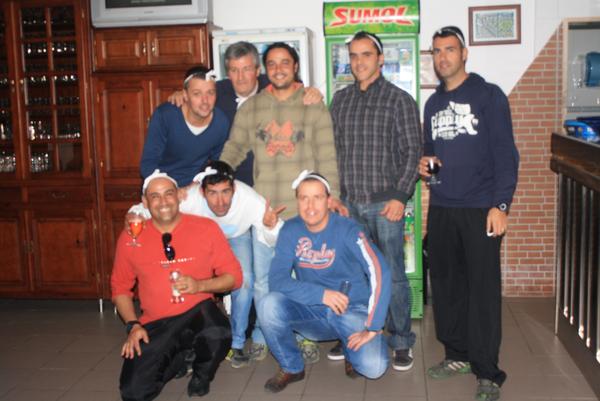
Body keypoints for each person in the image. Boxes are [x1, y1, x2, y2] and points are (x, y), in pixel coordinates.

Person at [419, 26, 519, 401]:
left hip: (481, 209)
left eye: (449, 49)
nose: (443, 57)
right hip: (443, 207)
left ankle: (488, 372)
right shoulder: (432, 104)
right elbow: (429, 151)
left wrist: (501, 205)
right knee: (446, 288)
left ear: (464, 54)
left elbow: (506, 155)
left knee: (482, 292)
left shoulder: (489, 95)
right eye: (437, 51)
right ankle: (457, 354)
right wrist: (425, 164)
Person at [128, 161, 284, 368]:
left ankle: (236, 342)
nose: (220, 202)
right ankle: (186, 338)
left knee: (245, 279)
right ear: (202, 192)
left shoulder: (249, 199)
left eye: (226, 192)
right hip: (204, 239)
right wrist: (135, 213)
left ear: (234, 188)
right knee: (184, 275)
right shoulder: (190, 198)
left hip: (237, 237)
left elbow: (274, 238)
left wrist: (271, 226)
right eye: (212, 193)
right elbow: (157, 207)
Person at [329, 30, 422, 370]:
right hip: (349, 205)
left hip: (385, 207)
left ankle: (400, 340)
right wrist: (334, 196)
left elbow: (412, 152)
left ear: (380, 59)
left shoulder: (399, 100)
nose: (359, 62)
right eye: (353, 56)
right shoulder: (340, 101)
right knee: (353, 273)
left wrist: (400, 196)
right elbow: (333, 152)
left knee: (392, 274)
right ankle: (352, 332)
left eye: (366, 54)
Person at [111, 170, 242, 400]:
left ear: (179, 196)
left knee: (218, 332)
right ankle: (180, 356)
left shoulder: (206, 228)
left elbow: (234, 277)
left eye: (169, 194)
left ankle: (202, 374)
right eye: (155, 196)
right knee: (134, 392)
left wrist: (199, 286)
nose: (163, 202)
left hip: (197, 312)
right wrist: (133, 325)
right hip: (156, 321)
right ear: (145, 202)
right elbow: (120, 288)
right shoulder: (131, 237)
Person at [257, 171, 391, 393]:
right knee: (267, 305)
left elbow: (380, 270)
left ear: (329, 201)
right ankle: (292, 367)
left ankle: (350, 349)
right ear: (297, 201)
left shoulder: (348, 229)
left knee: (374, 367)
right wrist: (321, 295)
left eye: (317, 197)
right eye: (304, 198)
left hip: (351, 310)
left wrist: (374, 326)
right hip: (313, 310)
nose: (310, 205)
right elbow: (277, 280)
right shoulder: (290, 230)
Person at [220, 42, 346, 221]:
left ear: (295, 67)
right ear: (265, 69)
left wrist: (333, 196)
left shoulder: (314, 106)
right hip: (263, 211)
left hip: (306, 210)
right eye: (272, 64)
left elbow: (327, 157)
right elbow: (234, 150)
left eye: (285, 63)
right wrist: (214, 178)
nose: (278, 69)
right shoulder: (249, 108)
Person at [167, 41, 322, 186]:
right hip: (229, 179)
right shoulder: (215, 92)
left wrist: (311, 92)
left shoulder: (272, 87)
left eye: (246, 69)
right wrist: (182, 95)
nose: (240, 77)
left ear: (257, 70)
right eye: (234, 70)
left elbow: (295, 89)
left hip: (270, 179)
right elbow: (196, 94)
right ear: (228, 73)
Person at [140, 67, 229, 187]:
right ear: (185, 95)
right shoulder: (165, 115)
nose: (205, 101)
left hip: (196, 186)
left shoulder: (221, 122)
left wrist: (194, 186)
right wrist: (170, 190)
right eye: (197, 94)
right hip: (161, 185)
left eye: (210, 93)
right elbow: (148, 165)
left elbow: (217, 165)